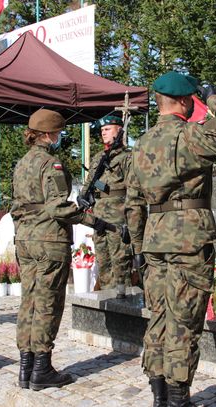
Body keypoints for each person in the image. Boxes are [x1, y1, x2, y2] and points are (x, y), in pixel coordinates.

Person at [125, 71, 216, 406]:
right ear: (184, 101)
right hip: (189, 239)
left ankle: (159, 395)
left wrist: (138, 248)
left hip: (154, 240)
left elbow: (133, 203)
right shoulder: (191, 136)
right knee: (184, 321)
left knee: (160, 317)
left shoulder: (142, 144)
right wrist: (212, 98)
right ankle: (178, 398)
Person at [11, 109, 111, 391]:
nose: (59, 137)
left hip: (26, 240)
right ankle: (41, 368)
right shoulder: (50, 164)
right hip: (48, 242)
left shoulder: (22, 164)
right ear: (47, 134)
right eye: (57, 132)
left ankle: (25, 367)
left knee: (28, 301)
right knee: (47, 304)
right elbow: (57, 208)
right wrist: (91, 218)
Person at [85, 114, 133, 293]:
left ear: (119, 130)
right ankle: (106, 295)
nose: (103, 133)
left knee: (120, 261)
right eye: (102, 130)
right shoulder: (99, 157)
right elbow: (89, 182)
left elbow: (134, 189)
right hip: (99, 218)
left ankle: (123, 300)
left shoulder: (127, 157)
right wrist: (84, 196)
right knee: (103, 261)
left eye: (107, 129)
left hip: (118, 218)